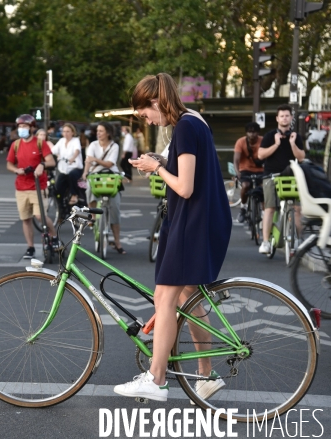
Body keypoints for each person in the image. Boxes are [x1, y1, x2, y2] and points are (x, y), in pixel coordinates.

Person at [114, 72, 231, 402]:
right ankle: (206, 376)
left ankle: (156, 377)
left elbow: (184, 186)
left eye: (144, 113)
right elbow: (189, 167)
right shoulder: (194, 120)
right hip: (203, 220)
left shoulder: (184, 127)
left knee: (163, 298)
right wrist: (161, 160)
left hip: (192, 223)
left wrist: (157, 169)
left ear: (154, 102)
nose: (146, 120)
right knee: (187, 298)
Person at [6, 114, 58, 259]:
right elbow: (9, 163)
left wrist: (42, 165)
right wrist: (16, 170)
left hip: (37, 186)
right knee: (26, 218)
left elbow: (51, 162)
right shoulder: (15, 145)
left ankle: (53, 236)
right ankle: (30, 247)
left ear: (32, 128)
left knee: (39, 216)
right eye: (20, 127)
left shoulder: (40, 143)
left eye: (25, 126)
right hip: (21, 186)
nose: (22, 129)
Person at [257, 104, 305, 254]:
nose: (284, 118)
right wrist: (277, 143)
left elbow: (301, 157)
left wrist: (292, 143)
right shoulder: (269, 135)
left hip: (291, 177)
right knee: (270, 208)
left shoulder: (296, 136)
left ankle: (297, 240)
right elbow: (261, 155)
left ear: (291, 118)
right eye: (282, 116)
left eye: (287, 115)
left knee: (297, 209)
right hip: (271, 175)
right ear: (277, 118)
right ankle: (265, 242)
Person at [83, 121, 126, 254]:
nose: (98, 133)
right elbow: (88, 162)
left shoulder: (114, 146)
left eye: (101, 131)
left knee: (115, 210)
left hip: (111, 176)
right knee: (89, 189)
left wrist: (95, 160)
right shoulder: (93, 145)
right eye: (97, 131)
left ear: (108, 133)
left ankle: (117, 242)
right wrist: (85, 173)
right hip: (95, 175)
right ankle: (92, 216)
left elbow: (109, 163)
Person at [233, 122, 264, 223]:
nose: (252, 134)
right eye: (249, 132)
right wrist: (237, 172)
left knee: (264, 187)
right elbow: (236, 160)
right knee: (246, 185)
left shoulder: (263, 141)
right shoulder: (241, 142)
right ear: (246, 133)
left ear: (258, 133)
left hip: (260, 170)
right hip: (245, 169)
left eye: (254, 132)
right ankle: (243, 208)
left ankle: (264, 212)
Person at [50, 124, 83, 205]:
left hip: (75, 167)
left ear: (72, 132)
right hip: (64, 169)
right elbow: (53, 150)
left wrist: (73, 158)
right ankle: (61, 208)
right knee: (58, 188)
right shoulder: (61, 141)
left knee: (72, 175)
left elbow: (77, 150)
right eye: (64, 131)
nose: (66, 133)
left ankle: (74, 195)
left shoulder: (75, 140)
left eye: (68, 131)